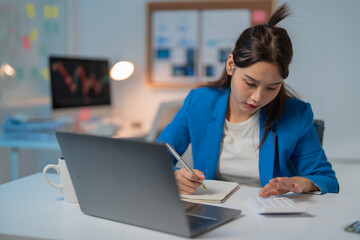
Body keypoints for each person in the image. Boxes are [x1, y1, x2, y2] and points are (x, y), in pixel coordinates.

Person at [157, 3, 339, 197]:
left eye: (272, 87)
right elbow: (155, 159)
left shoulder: (296, 114)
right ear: (230, 65)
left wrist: (301, 183)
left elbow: (327, 180)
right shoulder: (199, 102)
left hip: (268, 216)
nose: (258, 97)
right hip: (213, 210)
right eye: (250, 83)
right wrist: (174, 176)